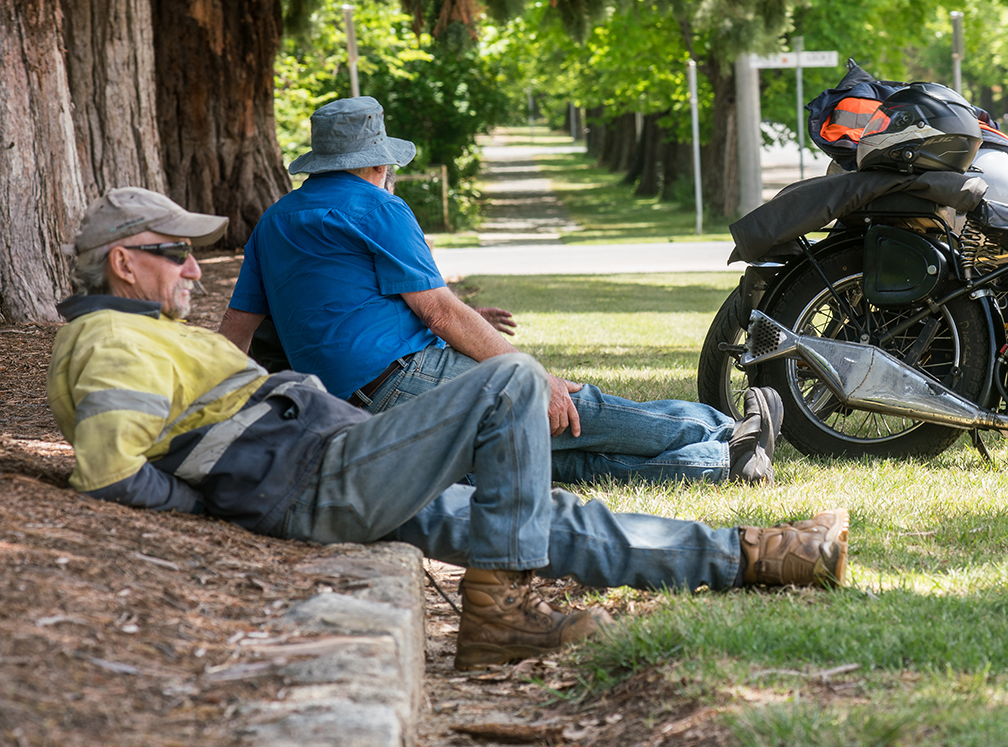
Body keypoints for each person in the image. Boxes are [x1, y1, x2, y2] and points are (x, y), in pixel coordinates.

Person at [47, 187, 847, 669]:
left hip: (325, 465)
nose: (193, 267)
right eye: (173, 253)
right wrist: (210, 511)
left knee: (547, 516)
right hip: (315, 476)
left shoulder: (141, 331)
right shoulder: (111, 341)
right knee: (507, 379)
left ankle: (766, 556)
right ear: (123, 261)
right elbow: (112, 469)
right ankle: (501, 614)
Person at [217, 97, 775, 486]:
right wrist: (535, 377)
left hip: (347, 412)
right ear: (378, 161)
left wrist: (213, 416)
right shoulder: (378, 207)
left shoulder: (276, 220)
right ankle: (725, 428)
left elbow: (237, 333)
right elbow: (438, 314)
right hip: (405, 382)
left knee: (548, 459)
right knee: (579, 410)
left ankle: (721, 462)